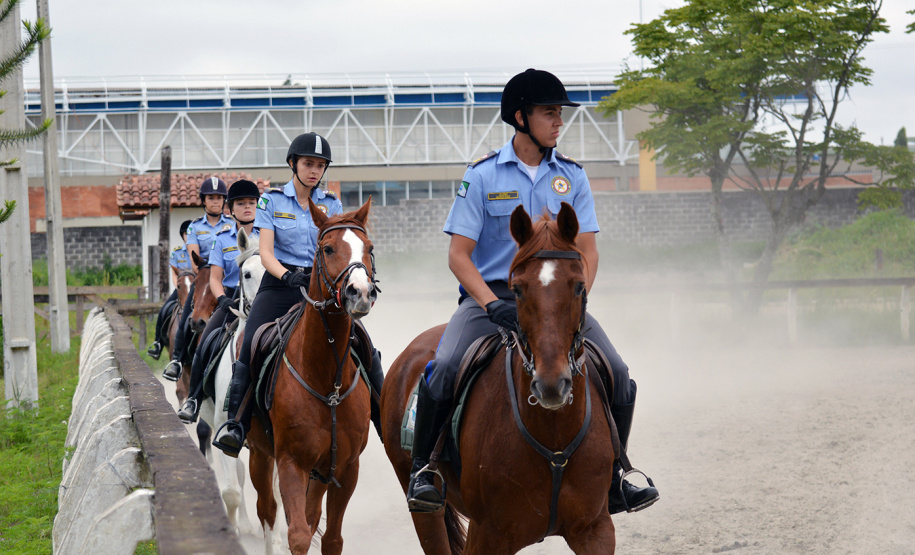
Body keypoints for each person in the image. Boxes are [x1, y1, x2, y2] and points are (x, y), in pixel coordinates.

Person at [406, 69, 660, 515]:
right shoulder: (482, 175)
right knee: (443, 366)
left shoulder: (572, 177)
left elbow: (589, 251)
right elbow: (458, 256)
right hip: (492, 300)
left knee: (618, 371)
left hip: (559, 300)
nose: (558, 121)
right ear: (521, 118)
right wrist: (489, 303)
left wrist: (573, 302)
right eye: (549, 113)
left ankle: (619, 474)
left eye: (560, 113)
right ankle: (424, 470)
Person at [212, 132, 385, 457]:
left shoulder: (331, 204)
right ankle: (236, 424)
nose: (314, 170)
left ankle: (383, 418)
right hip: (280, 285)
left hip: (323, 288)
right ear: (293, 164)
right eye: (308, 164)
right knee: (250, 343)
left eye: (320, 165)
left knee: (365, 346)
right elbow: (264, 252)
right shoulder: (272, 201)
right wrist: (288, 276)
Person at [177, 179, 261, 423]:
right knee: (207, 341)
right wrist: (223, 298)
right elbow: (214, 277)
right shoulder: (222, 239)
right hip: (232, 297)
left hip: (263, 293)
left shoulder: (269, 234)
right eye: (241, 204)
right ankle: (193, 398)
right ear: (231, 209)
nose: (247, 208)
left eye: (252, 203)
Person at [163, 177, 233, 381]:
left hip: (228, 279)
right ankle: (177, 360)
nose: (215, 202)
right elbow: (195, 260)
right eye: (211, 198)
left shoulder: (231, 224)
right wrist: (210, 273)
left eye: (219, 198)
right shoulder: (194, 227)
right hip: (204, 278)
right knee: (187, 317)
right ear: (204, 201)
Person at [147, 220, 194, 360]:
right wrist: (178, 287)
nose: (189, 235)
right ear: (183, 235)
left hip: (197, 289)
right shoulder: (177, 253)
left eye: (192, 233)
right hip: (182, 288)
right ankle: (158, 343)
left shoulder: (201, 251)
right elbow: (174, 273)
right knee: (165, 309)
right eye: (187, 233)